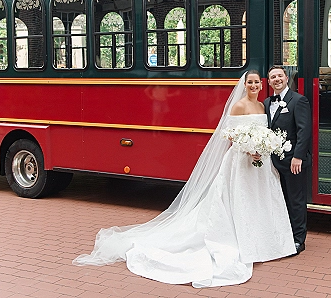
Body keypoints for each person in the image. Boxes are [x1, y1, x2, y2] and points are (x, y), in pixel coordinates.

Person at [73, 71, 295, 287]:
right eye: (251, 83)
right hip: (240, 162)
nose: (254, 86)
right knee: (238, 200)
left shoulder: (262, 105)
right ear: (244, 85)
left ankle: (263, 243)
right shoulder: (238, 106)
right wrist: (248, 148)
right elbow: (230, 134)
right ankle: (243, 242)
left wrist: (261, 147)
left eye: (257, 82)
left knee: (259, 200)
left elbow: (264, 132)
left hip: (260, 164)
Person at [263, 65, 312, 255]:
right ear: (269, 82)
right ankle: (284, 235)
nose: (277, 79)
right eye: (273, 77)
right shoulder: (267, 102)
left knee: (296, 201)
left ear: (286, 77)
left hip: (293, 162)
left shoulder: (298, 101)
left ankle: (299, 240)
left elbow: (304, 131)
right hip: (275, 162)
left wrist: (298, 156)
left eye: (279, 76)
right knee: (280, 200)